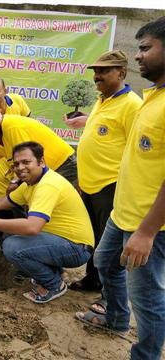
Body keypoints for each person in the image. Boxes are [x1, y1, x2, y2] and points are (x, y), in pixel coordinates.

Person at [75, 17, 165, 360]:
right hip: (121, 211)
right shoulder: (151, 98)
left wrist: (147, 231)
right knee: (104, 260)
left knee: (147, 296)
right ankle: (114, 319)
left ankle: (146, 354)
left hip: (145, 221)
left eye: (145, 48)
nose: (138, 55)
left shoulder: (142, 103)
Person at [0, 142, 93, 303]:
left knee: (13, 246)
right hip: (61, 240)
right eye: (16, 164)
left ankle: (54, 284)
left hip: (76, 248)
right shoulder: (33, 183)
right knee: (12, 234)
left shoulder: (47, 185)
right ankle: (54, 273)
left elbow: (32, 227)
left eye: (26, 162)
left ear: (41, 162)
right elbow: (3, 202)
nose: (20, 167)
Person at [65, 50, 142, 299]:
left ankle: (109, 297)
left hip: (110, 185)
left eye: (104, 71)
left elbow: (138, 149)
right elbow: (104, 133)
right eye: (96, 71)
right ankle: (92, 280)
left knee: (107, 245)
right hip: (89, 184)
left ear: (121, 72)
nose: (97, 76)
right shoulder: (102, 99)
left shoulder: (132, 105)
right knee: (93, 237)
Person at [0, 101, 77, 187]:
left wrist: (14, 182)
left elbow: (25, 160)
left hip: (64, 164)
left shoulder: (11, 126)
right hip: (44, 173)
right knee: (17, 199)